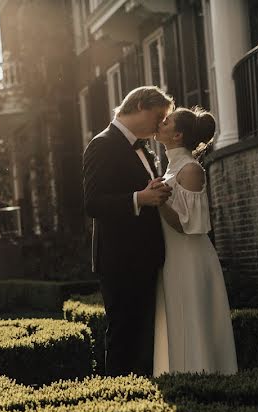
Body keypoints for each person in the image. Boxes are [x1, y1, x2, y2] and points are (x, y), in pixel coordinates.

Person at [83, 86, 174, 376]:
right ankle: (121, 401)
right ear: (139, 107)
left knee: (145, 338)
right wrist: (140, 198)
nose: (160, 124)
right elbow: (92, 203)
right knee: (123, 336)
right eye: (158, 116)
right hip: (119, 259)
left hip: (147, 257)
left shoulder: (145, 148)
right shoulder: (102, 144)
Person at [152, 107, 238, 376]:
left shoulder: (191, 169)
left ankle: (204, 378)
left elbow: (187, 225)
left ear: (177, 135)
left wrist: (158, 200)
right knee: (177, 321)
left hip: (190, 258)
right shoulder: (170, 167)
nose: (160, 122)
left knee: (193, 320)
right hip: (173, 259)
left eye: (166, 121)